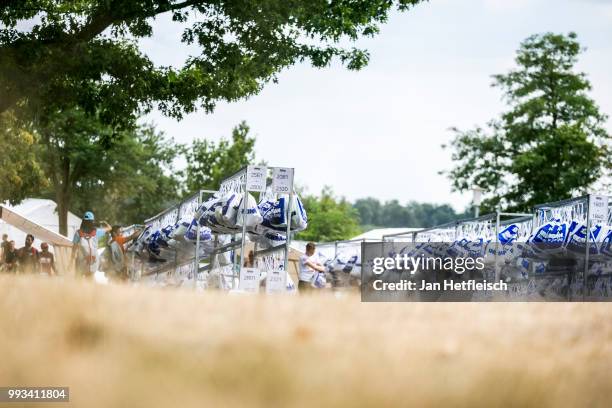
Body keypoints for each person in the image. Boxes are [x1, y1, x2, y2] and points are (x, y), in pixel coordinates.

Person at [71, 211, 111, 278]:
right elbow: (110, 228)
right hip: (93, 261)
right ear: (92, 221)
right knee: (90, 279)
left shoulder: (78, 233)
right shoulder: (97, 232)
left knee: (78, 280)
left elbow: (74, 248)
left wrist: (71, 261)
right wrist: (105, 223)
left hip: (81, 260)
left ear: (83, 221)